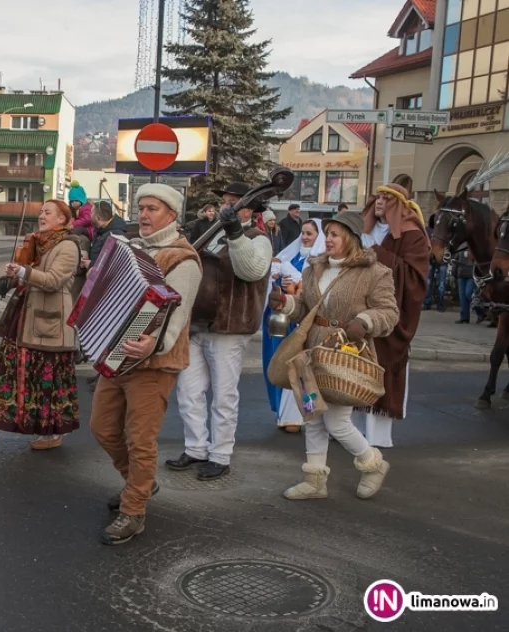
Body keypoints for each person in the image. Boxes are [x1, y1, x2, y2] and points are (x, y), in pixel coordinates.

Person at [90, 184, 202, 544]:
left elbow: (177, 314)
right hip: (117, 358)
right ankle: (140, 483)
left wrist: (155, 344)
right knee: (102, 428)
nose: (144, 214)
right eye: (141, 208)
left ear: (172, 214)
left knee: (141, 440)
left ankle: (134, 510)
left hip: (154, 364)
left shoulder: (183, 259)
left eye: (153, 208)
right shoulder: (134, 249)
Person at [269, 212, 398, 501]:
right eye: (327, 233)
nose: (328, 239)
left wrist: (364, 321)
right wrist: (286, 303)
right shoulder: (314, 268)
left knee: (337, 422)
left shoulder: (375, 272)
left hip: (343, 355)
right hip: (309, 355)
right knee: (312, 416)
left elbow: (389, 313)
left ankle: (373, 465)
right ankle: (314, 480)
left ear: (351, 238)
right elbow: (304, 308)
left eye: (335, 234)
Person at [168, 181, 273, 480]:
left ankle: (220, 454)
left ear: (248, 209)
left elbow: (249, 270)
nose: (226, 207)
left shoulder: (258, 238)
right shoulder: (210, 235)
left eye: (233, 203)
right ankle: (195, 447)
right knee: (188, 391)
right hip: (198, 324)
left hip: (230, 326)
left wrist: (235, 234)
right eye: (225, 202)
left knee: (224, 396)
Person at [0, 199, 81, 451]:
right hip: (27, 319)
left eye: (47, 212)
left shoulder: (69, 247)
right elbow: (34, 277)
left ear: (62, 219)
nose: (41, 216)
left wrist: (24, 272)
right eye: (40, 212)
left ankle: (50, 434)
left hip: (49, 326)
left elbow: (54, 281)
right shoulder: (43, 244)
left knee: (48, 382)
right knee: (5, 370)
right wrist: (16, 278)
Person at [351, 184, 429, 448]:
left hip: (389, 313)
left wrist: (377, 251)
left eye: (386, 198)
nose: (379, 201)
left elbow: (413, 278)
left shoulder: (412, 235)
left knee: (381, 366)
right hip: (358, 308)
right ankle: (352, 430)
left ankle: (378, 436)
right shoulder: (366, 229)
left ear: (398, 205)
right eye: (378, 197)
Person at [262, 219, 325, 432]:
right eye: (303, 233)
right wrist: (277, 278)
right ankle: (285, 414)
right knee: (279, 367)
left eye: (310, 234)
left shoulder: (319, 261)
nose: (305, 237)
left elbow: (316, 291)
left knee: (301, 370)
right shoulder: (293, 255)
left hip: (301, 322)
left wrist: (296, 288)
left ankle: (304, 415)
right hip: (282, 320)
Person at [453, 250, 486, 324]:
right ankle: (464, 317)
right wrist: (454, 272)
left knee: (469, 293)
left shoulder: (472, 245)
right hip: (461, 274)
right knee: (462, 297)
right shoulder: (460, 247)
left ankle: (481, 313)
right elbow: (456, 260)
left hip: (471, 274)